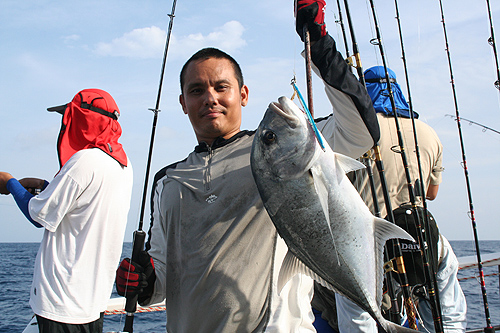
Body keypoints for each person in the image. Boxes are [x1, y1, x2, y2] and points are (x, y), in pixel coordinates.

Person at [115, 1, 380, 331]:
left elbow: (361, 132)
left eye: (221, 87)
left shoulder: (281, 147)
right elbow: (162, 283)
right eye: (196, 90)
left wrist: (318, 42)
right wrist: (142, 280)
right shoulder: (168, 181)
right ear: (183, 103)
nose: (209, 97)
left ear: (243, 94)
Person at [330, 66, 467, 332]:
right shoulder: (428, 133)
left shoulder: (356, 133)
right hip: (422, 235)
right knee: (447, 309)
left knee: (357, 316)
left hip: (368, 239)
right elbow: (432, 193)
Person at [0, 88, 133, 332]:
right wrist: (45, 187)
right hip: (92, 301)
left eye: (69, 117)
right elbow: (83, 204)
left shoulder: (84, 161)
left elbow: (38, 215)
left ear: (82, 121)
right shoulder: (122, 165)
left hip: (62, 302)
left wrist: (9, 182)